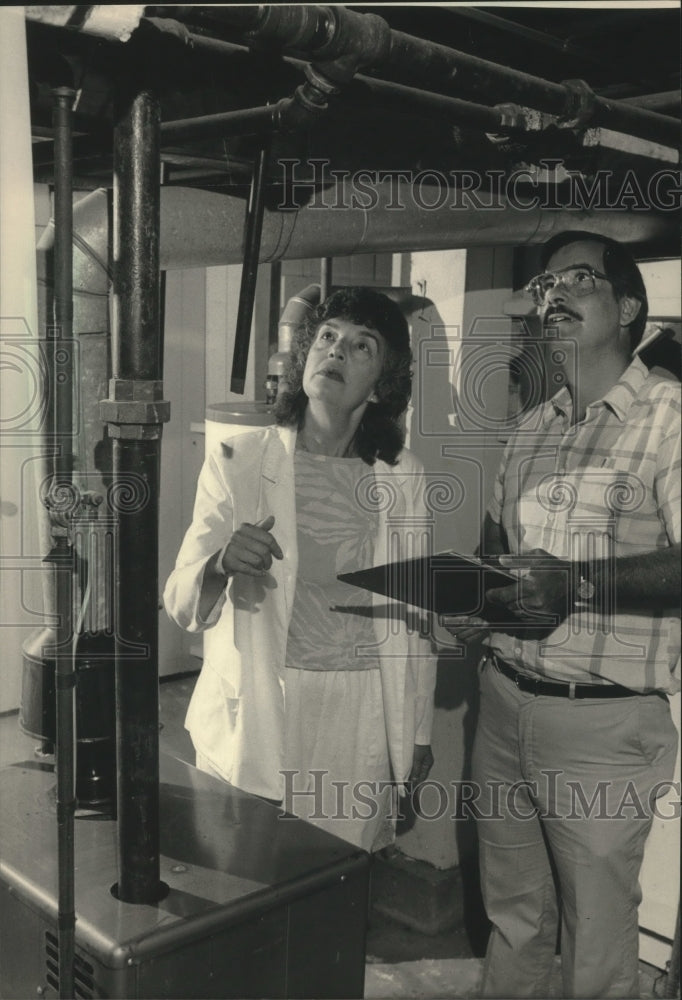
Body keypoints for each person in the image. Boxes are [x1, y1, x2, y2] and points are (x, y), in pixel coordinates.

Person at [446, 232, 681, 998]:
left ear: (630, 309)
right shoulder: (532, 428)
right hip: (505, 700)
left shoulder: (668, 418)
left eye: (577, 280)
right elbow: (502, 554)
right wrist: (474, 603)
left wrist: (574, 583)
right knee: (514, 915)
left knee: (595, 941)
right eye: (543, 285)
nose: (552, 296)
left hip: (601, 728)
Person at [164, 286, 437, 852]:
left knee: (335, 879)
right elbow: (181, 600)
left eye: (363, 346)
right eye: (329, 337)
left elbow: (416, 615)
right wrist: (220, 563)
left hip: (360, 707)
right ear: (306, 351)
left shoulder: (403, 475)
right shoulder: (240, 458)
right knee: (249, 876)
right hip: (266, 700)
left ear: (385, 382)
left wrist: (417, 733)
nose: (337, 352)